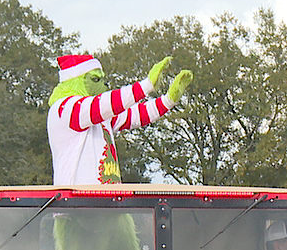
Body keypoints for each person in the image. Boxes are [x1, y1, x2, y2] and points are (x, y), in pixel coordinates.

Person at [47, 54, 193, 185]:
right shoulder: (64, 108)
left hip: (109, 202)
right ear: (75, 81)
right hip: (75, 204)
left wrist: (168, 100)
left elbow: (136, 115)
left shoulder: (100, 117)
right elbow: (104, 105)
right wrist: (146, 86)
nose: (104, 84)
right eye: (96, 79)